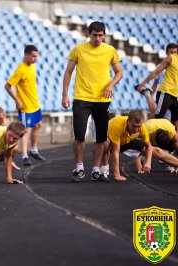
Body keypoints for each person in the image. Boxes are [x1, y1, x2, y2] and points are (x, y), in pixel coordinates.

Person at [62, 21, 123, 182]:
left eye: (100, 35)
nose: (97, 38)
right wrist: (65, 95)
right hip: (81, 97)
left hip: (102, 100)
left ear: (104, 35)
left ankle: (96, 170)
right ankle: (79, 167)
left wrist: (111, 84)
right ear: (89, 34)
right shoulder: (79, 49)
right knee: (79, 136)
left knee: (101, 138)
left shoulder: (110, 50)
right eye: (94, 35)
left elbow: (119, 72)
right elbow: (68, 72)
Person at [5, 44, 45, 166]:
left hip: (35, 104)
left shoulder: (32, 67)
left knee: (38, 125)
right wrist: (17, 100)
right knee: (25, 130)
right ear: (26, 55)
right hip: (25, 107)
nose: (35, 59)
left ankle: (33, 150)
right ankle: (24, 156)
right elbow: (7, 86)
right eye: (33, 56)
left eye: (36, 56)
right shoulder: (20, 69)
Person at [101, 110, 152, 181]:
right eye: (133, 126)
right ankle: (104, 168)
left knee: (156, 151)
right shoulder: (117, 125)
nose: (136, 129)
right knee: (106, 144)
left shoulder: (142, 128)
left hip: (126, 140)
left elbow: (149, 146)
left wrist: (148, 162)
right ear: (128, 121)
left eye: (138, 126)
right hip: (111, 139)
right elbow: (115, 152)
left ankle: (173, 164)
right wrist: (117, 175)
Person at [137, 43, 178, 129]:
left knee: (174, 120)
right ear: (166, 53)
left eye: (175, 52)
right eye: (171, 52)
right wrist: (144, 83)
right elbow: (155, 77)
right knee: (158, 116)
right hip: (165, 91)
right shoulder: (165, 62)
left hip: (175, 95)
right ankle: (154, 137)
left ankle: (172, 140)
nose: (173, 54)